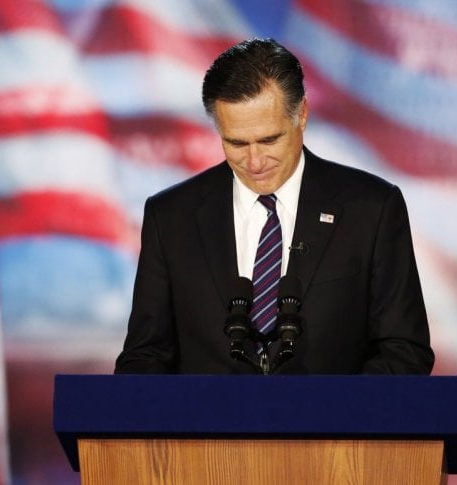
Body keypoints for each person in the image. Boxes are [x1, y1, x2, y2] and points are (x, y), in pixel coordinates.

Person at [114, 38, 434, 374]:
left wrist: (337, 415)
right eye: (236, 143)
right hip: (206, 426)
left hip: (333, 424)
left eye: (269, 139)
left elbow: (404, 351)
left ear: (302, 115)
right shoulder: (171, 217)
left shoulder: (371, 209)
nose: (254, 162)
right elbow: (144, 358)